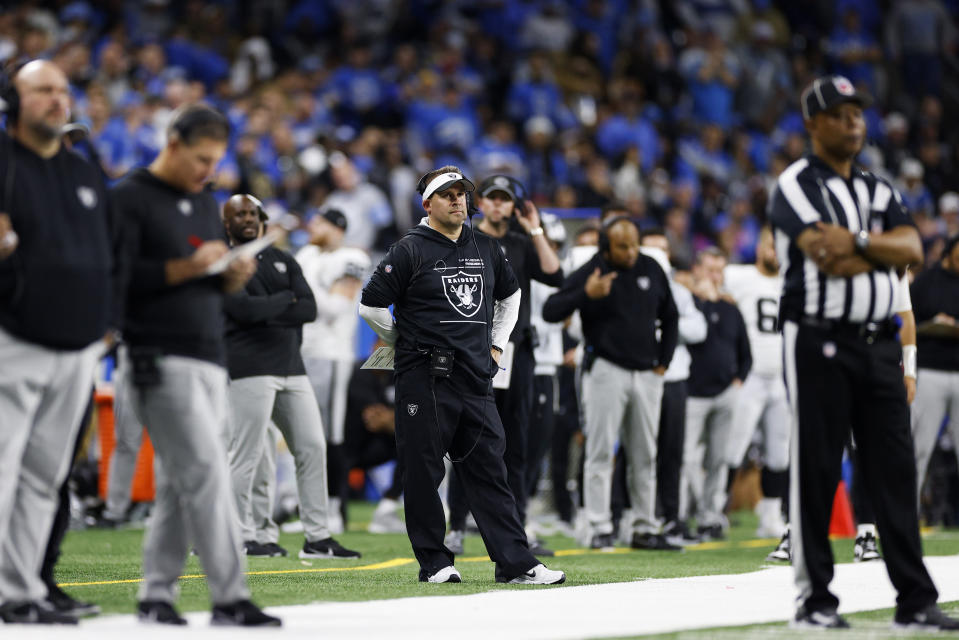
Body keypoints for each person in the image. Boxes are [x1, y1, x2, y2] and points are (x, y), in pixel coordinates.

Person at [769, 74, 958, 630]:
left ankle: (916, 599)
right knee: (818, 469)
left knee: (895, 472)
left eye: (858, 113)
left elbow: (912, 249)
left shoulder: (876, 185)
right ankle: (815, 600)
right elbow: (825, 258)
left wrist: (854, 243)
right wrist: (877, 249)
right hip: (818, 339)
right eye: (839, 113)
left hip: (879, 344)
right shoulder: (796, 184)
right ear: (812, 123)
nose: (854, 122)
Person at [113, 104, 279, 626]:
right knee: (208, 472)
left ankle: (156, 595)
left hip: (210, 356)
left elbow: (201, 280)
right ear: (173, 142)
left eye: (216, 161)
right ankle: (230, 598)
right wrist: (188, 267)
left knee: (177, 484)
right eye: (201, 159)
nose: (209, 171)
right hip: (158, 354)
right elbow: (113, 280)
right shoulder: (128, 197)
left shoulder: (205, 204)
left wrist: (227, 277)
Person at [359, 165, 565, 585]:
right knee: (423, 471)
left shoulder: (487, 246)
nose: (458, 200)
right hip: (424, 377)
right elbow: (371, 305)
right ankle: (435, 561)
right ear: (427, 203)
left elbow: (512, 295)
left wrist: (496, 344)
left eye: (462, 193)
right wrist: (404, 341)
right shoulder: (409, 248)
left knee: (491, 469)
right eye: (448, 194)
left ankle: (515, 562)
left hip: (475, 375)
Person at [0, 60, 116, 625]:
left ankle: (21, 593)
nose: (55, 99)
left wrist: (107, 322)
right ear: (12, 102)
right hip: (12, 337)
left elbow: (107, 256)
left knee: (44, 478)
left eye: (62, 91)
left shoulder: (84, 174)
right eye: (41, 90)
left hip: (78, 346)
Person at [221, 193, 360, 560]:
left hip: (291, 367)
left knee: (313, 447)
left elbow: (310, 308)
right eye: (240, 214)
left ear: (263, 218)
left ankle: (317, 537)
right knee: (247, 456)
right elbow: (242, 310)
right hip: (249, 367)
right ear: (226, 223)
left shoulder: (284, 259)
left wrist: (268, 309)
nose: (248, 219)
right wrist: (285, 303)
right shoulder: (226, 262)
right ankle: (240, 534)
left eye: (254, 213)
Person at [543, 217, 680, 551]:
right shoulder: (592, 270)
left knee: (645, 454)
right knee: (601, 451)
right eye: (623, 246)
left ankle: (644, 527)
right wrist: (585, 295)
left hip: (647, 373)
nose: (631, 252)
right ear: (606, 248)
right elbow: (551, 309)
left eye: (634, 244)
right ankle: (599, 526)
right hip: (606, 369)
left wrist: (664, 361)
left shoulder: (651, 267)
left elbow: (671, 315)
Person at [445, 174, 562, 557]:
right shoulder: (463, 238)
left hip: (518, 351)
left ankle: (519, 522)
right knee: (468, 438)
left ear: (515, 205)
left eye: (504, 199)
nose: (497, 205)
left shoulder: (522, 242)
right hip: (475, 350)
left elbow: (555, 274)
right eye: (492, 198)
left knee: (517, 441)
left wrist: (536, 228)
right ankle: (457, 525)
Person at [296, 208, 371, 531]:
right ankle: (311, 508)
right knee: (305, 436)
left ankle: (334, 510)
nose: (311, 225)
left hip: (332, 354)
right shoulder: (307, 253)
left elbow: (335, 307)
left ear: (336, 228)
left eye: (319, 222)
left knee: (331, 434)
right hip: (301, 351)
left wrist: (299, 282)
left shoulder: (351, 257)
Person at [638, 228, 707, 545]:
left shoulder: (678, 291)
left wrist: (667, 326)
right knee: (637, 450)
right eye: (651, 249)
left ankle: (670, 516)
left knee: (672, 451)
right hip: (640, 374)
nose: (658, 256)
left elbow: (698, 329)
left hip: (674, 376)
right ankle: (634, 515)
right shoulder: (631, 284)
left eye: (662, 250)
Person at [722, 226, 789, 541]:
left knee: (780, 452)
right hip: (749, 375)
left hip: (782, 377)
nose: (773, 251)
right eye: (769, 244)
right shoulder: (738, 276)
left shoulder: (793, 281)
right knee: (733, 447)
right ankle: (715, 511)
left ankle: (771, 515)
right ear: (759, 246)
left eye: (779, 245)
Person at [681, 248, 751, 542]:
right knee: (686, 459)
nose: (715, 277)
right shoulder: (688, 303)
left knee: (719, 458)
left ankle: (710, 516)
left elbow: (746, 353)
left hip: (725, 392)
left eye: (720, 270)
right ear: (697, 270)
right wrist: (702, 299)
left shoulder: (731, 308)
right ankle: (681, 516)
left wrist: (739, 380)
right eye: (710, 269)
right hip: (692, 392)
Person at [910, 233, 959, 504]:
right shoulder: (925, 283)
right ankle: (907, 516)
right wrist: (932, 324)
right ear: (949, 253)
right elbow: (906, 323)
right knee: (920, 447)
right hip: (930, 371)